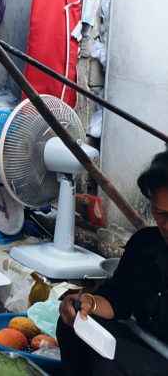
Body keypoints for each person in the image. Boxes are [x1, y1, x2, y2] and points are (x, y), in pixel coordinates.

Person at [56, 151, 168, 376]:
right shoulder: (144, 244)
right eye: (160, 212)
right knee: (71, 326)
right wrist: (86, 303)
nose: (167, 225)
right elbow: (118, 298)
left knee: (109, 363)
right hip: (146, 346)